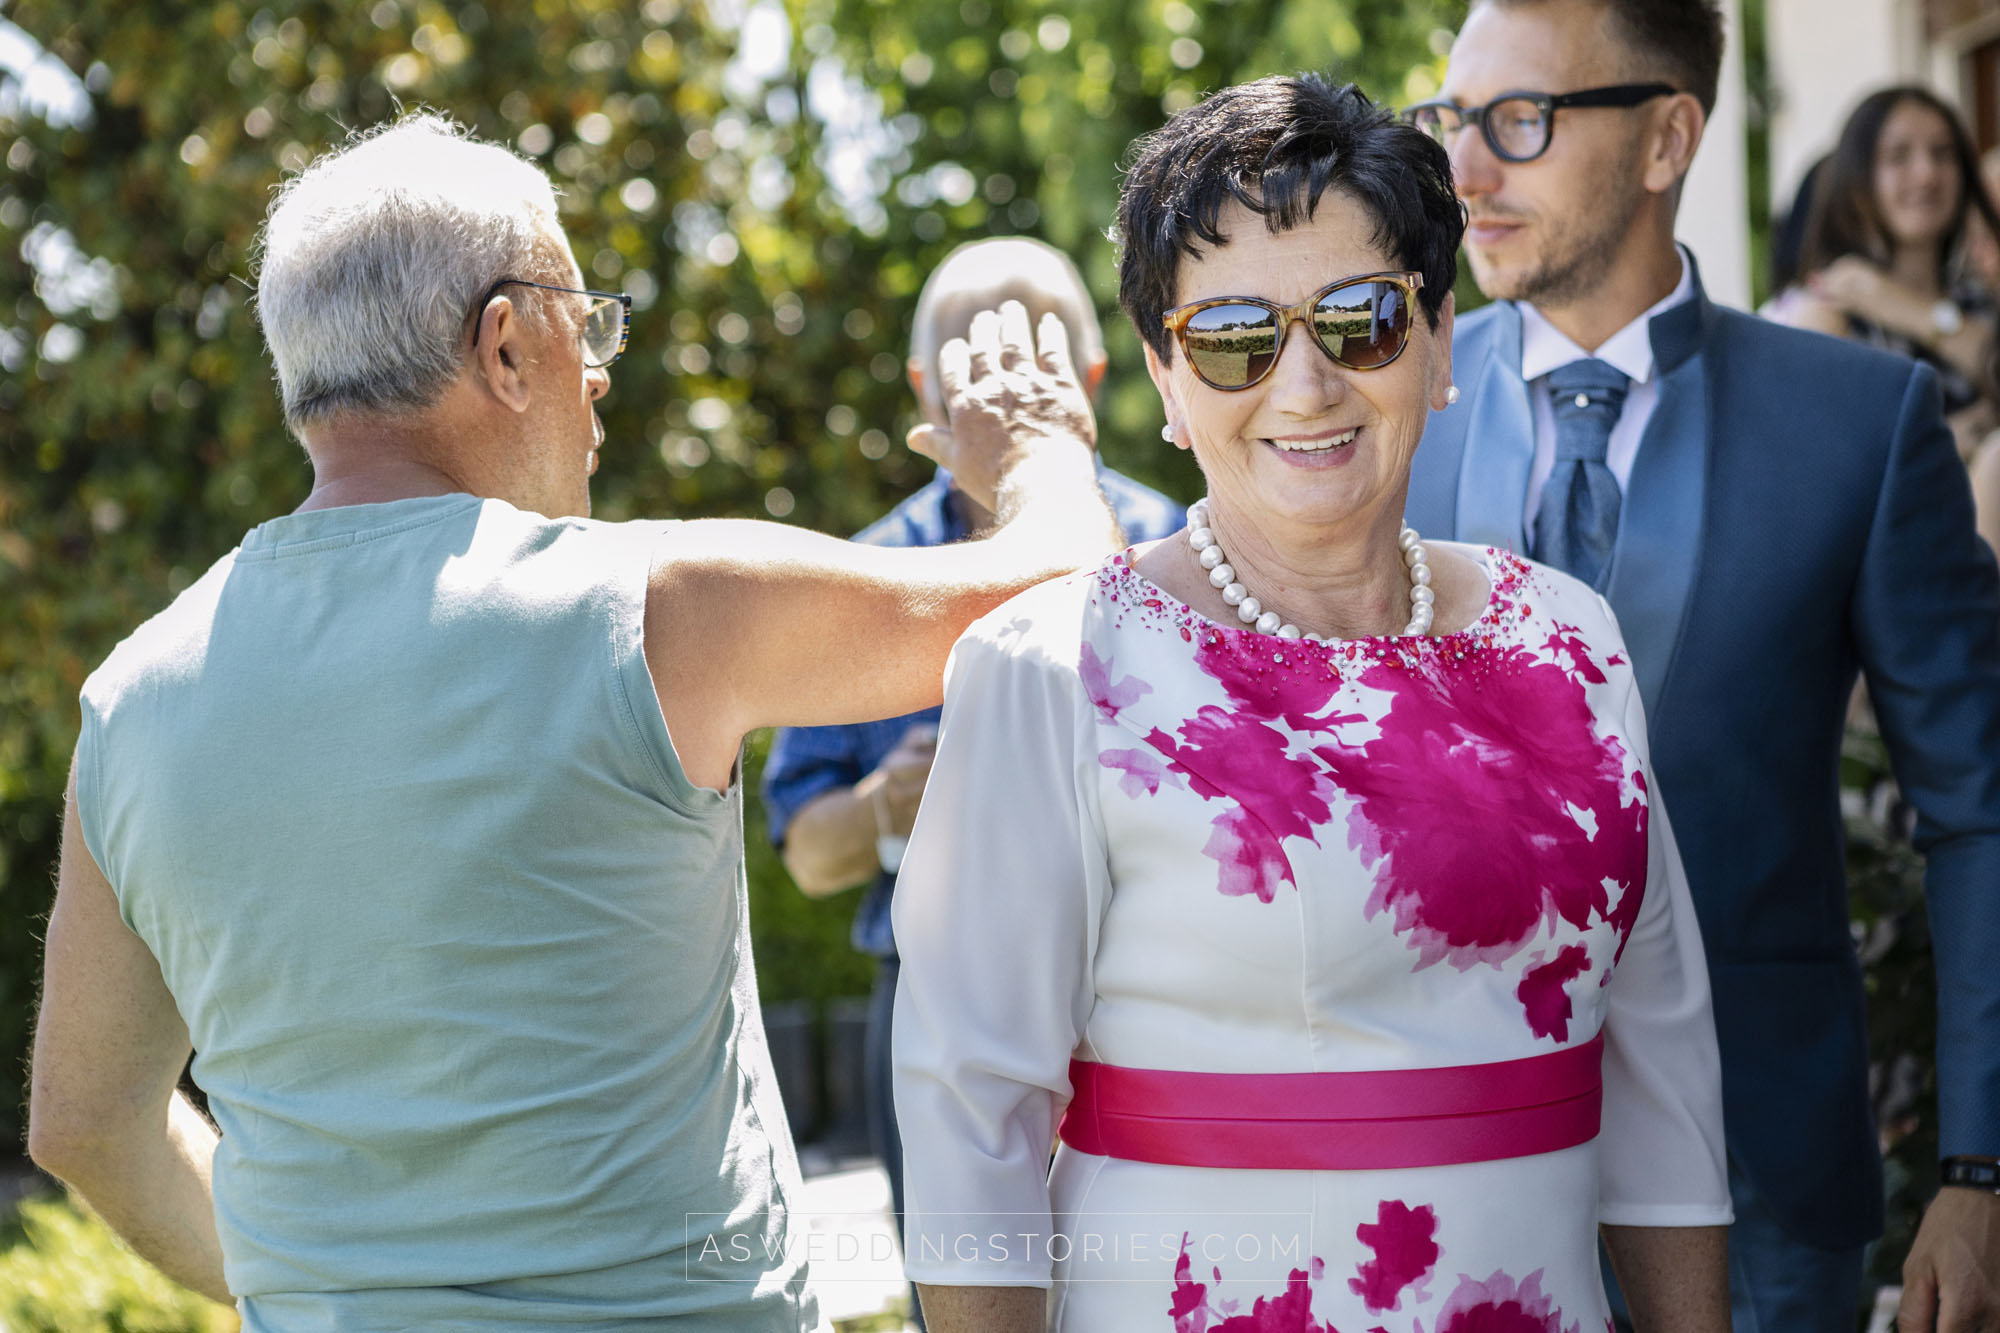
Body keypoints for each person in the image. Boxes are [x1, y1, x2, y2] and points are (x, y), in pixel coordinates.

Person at [24, 114, 1123, 1330]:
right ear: (504, 341)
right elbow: (1062, 583)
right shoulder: (650, 609)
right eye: (583, 319)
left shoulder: (132, 700)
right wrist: (1035, 442)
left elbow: (84, 1120)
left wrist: (325, 1279)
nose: (598, 368)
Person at [891, 74, 1731, 1333]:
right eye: (1232, 335)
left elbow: (1662, 1080)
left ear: (1440, 342)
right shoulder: (1051, 667)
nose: (1303, 384)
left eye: (1360, 319)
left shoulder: (1570, 638)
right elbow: (972, 1129)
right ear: (1167, 383)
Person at [1401, 1, 2000, 1328]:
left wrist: (1981, 1169)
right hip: (1440, 1165)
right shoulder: (1388, 407)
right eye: (1452, 123)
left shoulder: (1862, 425)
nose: (1467, 174)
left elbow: (1980, 811)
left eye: (1520, 120)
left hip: (1765, 1185)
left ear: (1669, 134)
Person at [760, 236, 1183, 1325]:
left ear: (1090, 384)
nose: (1001, 387)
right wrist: (883, 808)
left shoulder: (1182, 553)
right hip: (924, 1010)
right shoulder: (856, 580)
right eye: (972, 362)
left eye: (1033, 357)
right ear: (923, 395)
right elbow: (805, 855)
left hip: (1148, 1000)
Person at [1768, 87, 2000, 463]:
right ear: (1859, 175)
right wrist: (1946, 445)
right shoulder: (1831, 311)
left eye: (1943, 154)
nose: (1926, 174)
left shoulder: (1980, 299)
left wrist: (1905, 307)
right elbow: (1815, 464)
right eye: (1898, 156)